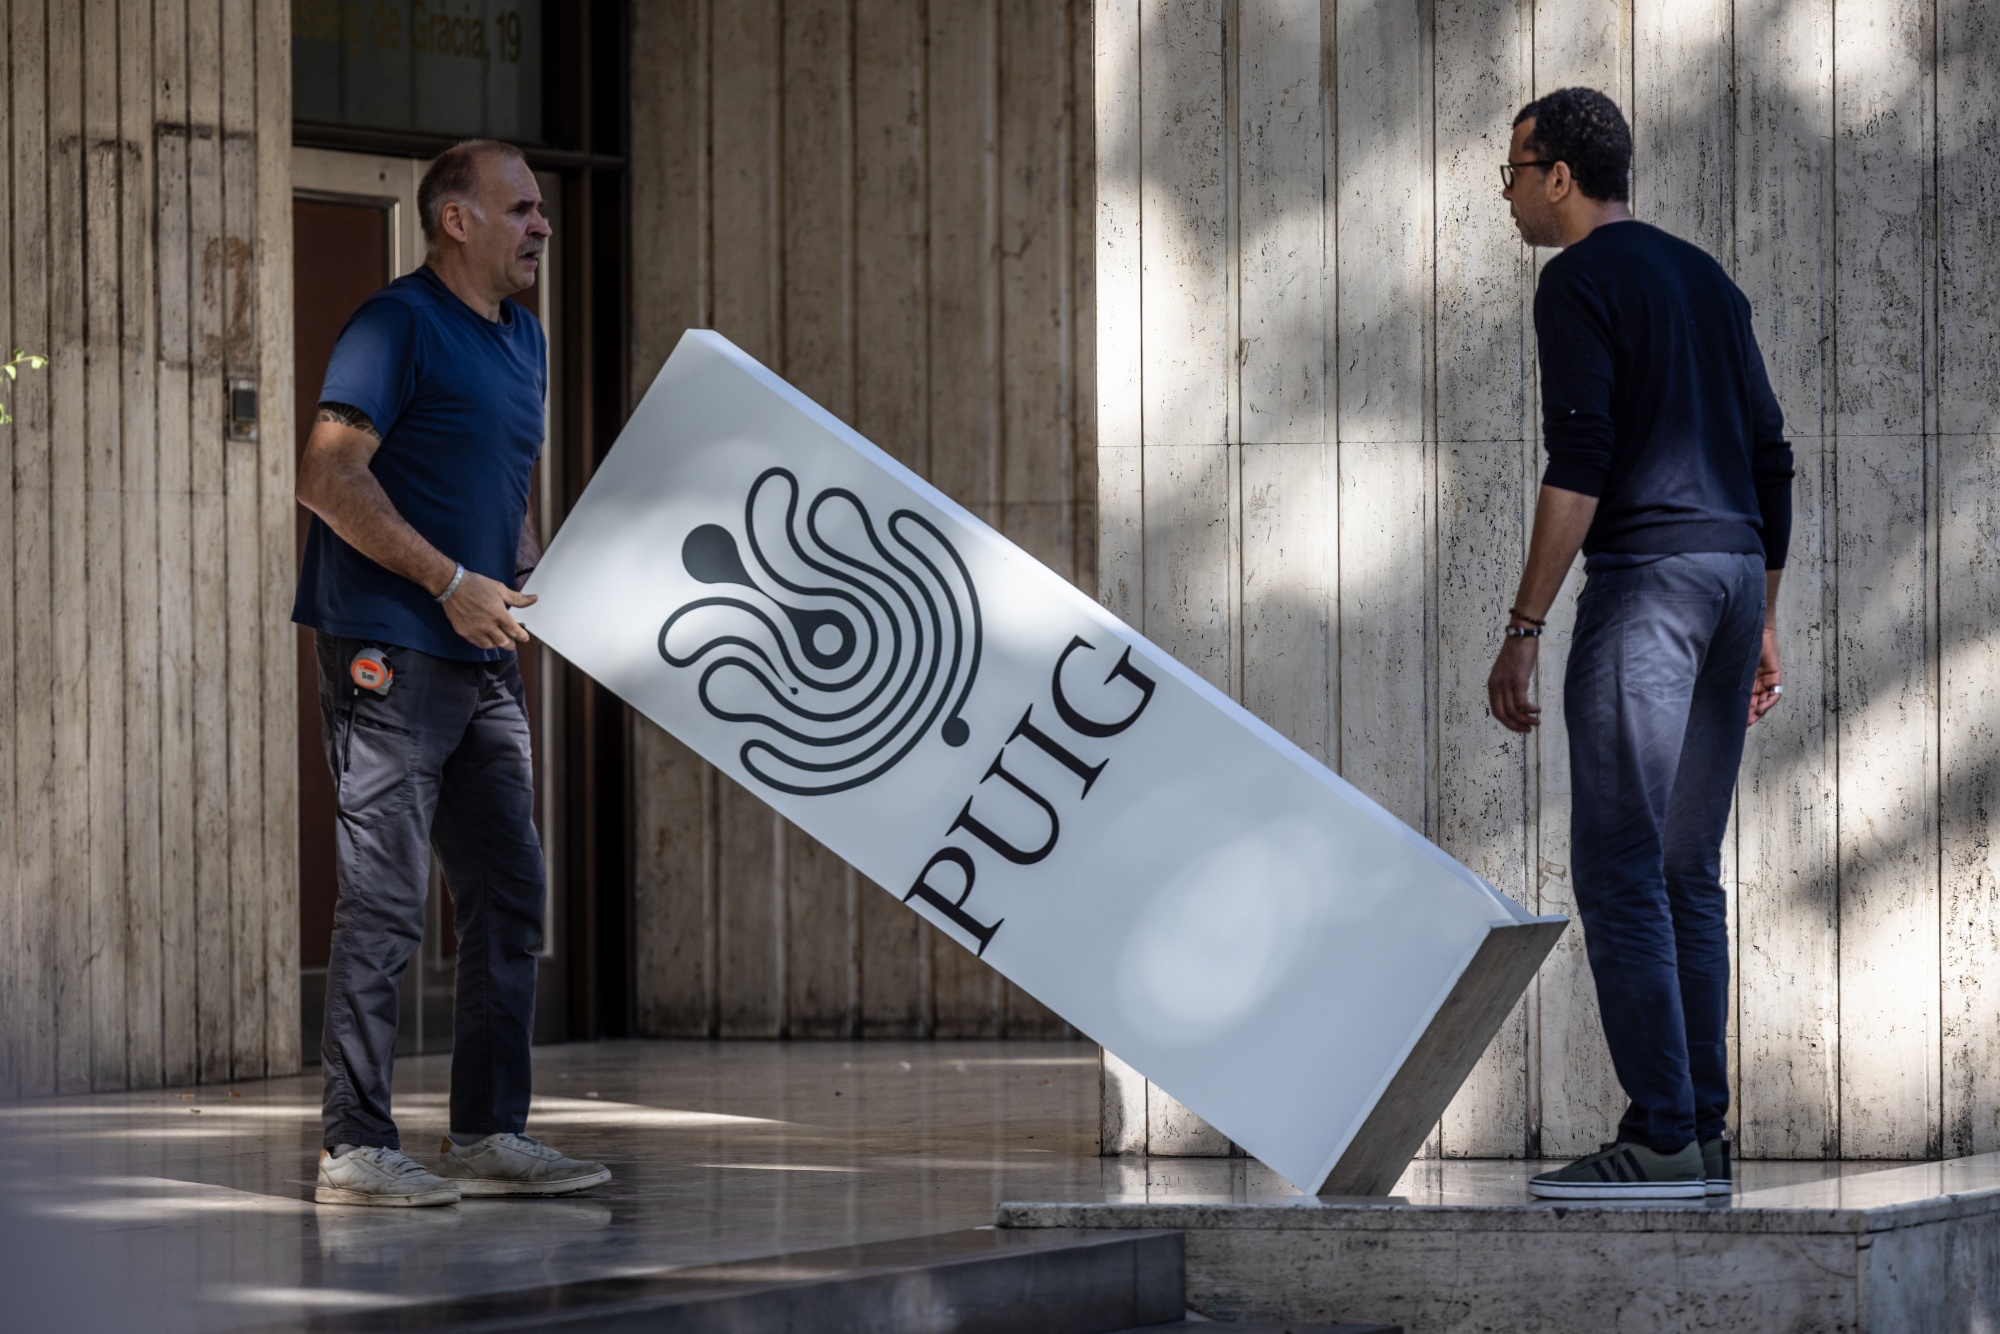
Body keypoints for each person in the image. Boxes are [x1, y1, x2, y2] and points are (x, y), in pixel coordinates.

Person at [1485, 89, 1793, 1200]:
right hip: (1725, 577)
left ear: (1559, 173)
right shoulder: (1704, 278)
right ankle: (1697, 1129)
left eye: (1514, 171)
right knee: (1681, 870)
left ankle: (1662, 1129)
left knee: (1619, 865)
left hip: (1652, 588)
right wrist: (1756, 614)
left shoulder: (1574, 279)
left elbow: (1580, 460)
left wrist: (1522, 625)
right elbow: (1770, 455)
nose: (1508, 193)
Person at [294, 140, 608, 1206]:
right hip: (388, 641)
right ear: (456, 221)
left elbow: (504, 487)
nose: (542, 225)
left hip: (480, 651)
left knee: (511, 891)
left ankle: (485, 1131)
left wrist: (523, 576)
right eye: (520, 208)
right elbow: (327, 474)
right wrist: (446, 580)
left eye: (541, 209)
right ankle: (355, 1144)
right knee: (384, 898)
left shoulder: (524, 338)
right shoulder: (395, 324)